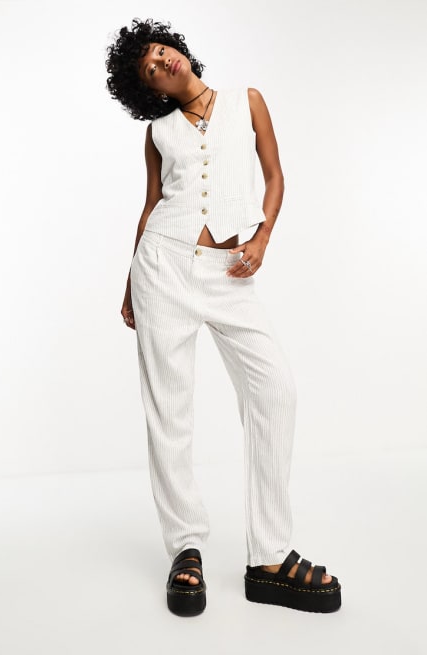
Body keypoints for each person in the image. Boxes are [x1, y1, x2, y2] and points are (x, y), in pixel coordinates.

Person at [105, 18, 341, 616]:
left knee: (275, 390)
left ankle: (270, 556)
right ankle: (185, 548)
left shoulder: (246, 101)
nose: (162, 61)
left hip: (230, 271)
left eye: (162, 50)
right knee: (170, 410)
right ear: (150, 91)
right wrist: (130, 282)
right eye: (150, 68)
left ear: (179, 49)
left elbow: (275, 175)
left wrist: (262, 238)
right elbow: (151, 205)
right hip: (163, 266)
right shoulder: (159, 131)